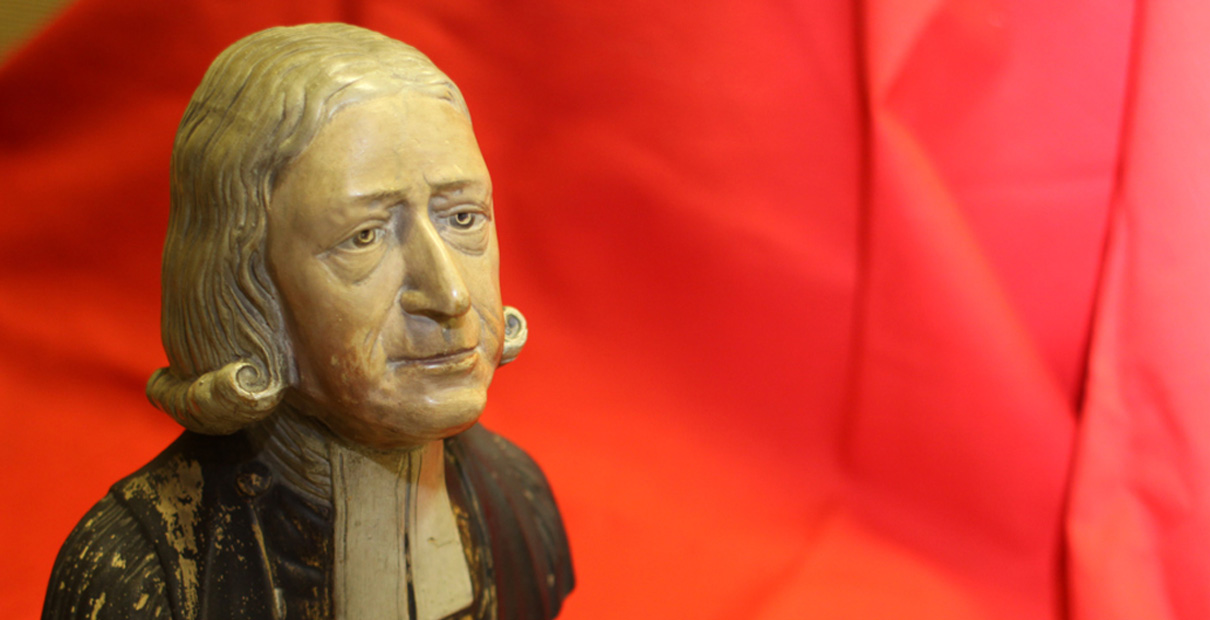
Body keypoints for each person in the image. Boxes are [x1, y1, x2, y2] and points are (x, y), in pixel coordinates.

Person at [43, 23, 573, 620]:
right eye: (364, 236)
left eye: (463, 217)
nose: (448, 292)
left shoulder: (517, 504)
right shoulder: (144, 577)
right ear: (247, 280)